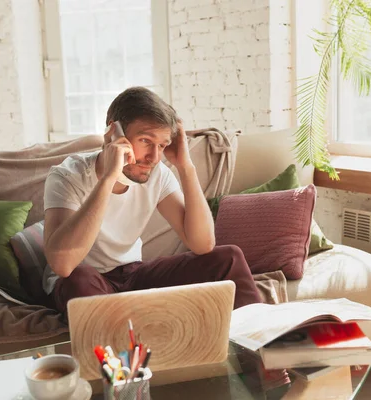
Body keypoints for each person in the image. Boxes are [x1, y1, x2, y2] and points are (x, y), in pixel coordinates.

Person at [42, 87, 261, 314]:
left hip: (132, 274)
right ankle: (127, 341)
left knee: (229, 258)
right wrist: (109, 177)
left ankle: (257, 343)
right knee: (79, 277)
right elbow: (63, 265)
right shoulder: (67, 175)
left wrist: (185, 167)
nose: (154, 157)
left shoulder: (158, 174)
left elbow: (202, 244)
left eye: (162, 145)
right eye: (146, 140)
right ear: (113, 132)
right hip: (84, 281)